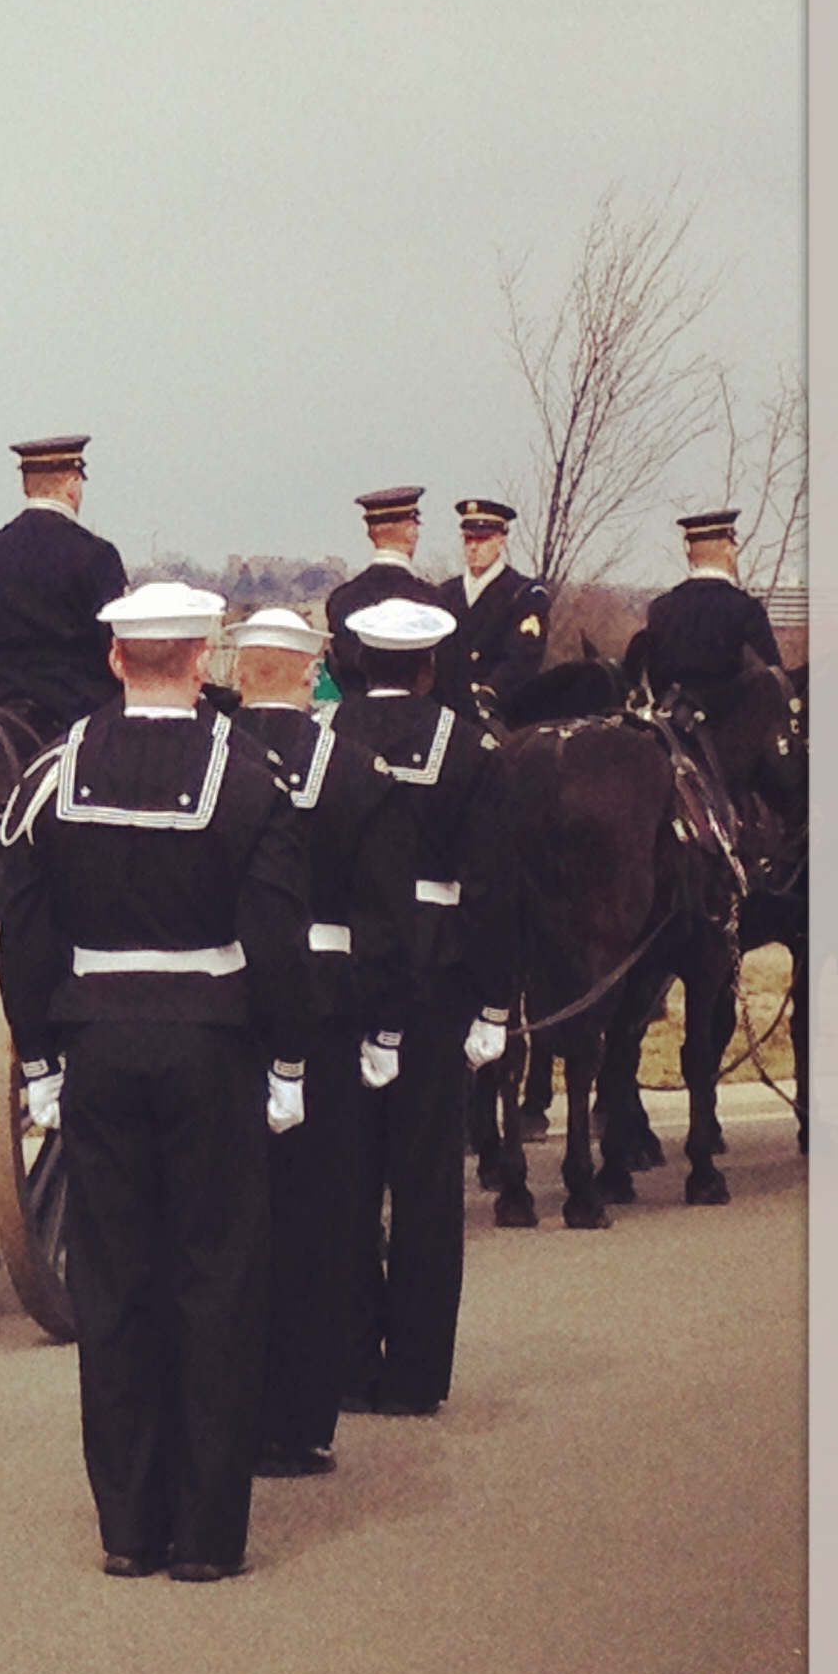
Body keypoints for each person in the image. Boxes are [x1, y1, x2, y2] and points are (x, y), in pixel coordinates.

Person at [0, 582, 310, 1582]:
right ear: (205, 661)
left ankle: (129, 1528)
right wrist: (289, 1059)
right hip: (211, 1046)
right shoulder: (250, 776)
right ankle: (207, 1536)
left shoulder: (53, 775)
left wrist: (39, 1059)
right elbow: (277, 939)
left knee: (115, 1284)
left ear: (116, 659)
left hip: (98, 1046)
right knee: (215, 1283)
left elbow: (23, 931)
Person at [225, 608, 411, 1479]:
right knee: (315, 1223)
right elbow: (386, 918)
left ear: (238, 675)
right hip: (328, 1011)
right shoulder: (358, 773)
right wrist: (385, 1025)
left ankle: (223, 1411)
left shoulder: (212, 761)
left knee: (227, 1222)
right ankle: (298, 1423)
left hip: (229, 1009)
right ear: (310, 675)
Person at [329, 596, 512, 1419]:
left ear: (360, 663)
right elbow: (493, 891)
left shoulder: (324, 742)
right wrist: (496, 1000)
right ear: (431, 668)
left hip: (344, 974)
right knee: (427, 1183)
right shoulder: (472, 752)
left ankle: (347, 1359)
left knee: (347, 1175)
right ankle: (415, 1374)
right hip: (435, 978)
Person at [0, 433, 129, 745]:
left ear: (26, 486)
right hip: (78, 707)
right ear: (72, 484)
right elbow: (115, 644)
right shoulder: (95, 555)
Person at [630, 507, 782, 699]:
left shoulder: (659, 608)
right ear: (730, 550)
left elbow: (652, 676)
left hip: (670, 715)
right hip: (730, 716)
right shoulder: (746, 609)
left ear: (688, 552)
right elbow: (773, 679)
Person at [432, 499, 551, 722]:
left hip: (500, 713)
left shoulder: (524, 595)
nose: (473, 547)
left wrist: (488, 693)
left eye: (482, 539)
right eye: (468, 539)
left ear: (500, 541)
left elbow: (522, 660)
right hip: (445, 710)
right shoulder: (445, 594)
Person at [324, 486, 446, 701]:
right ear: (411, 532)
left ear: (370, 533)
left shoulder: (340, 601)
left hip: (355, 717)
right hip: (420, 718)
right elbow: (448, 680)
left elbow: (341, 672)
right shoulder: (431, 602)